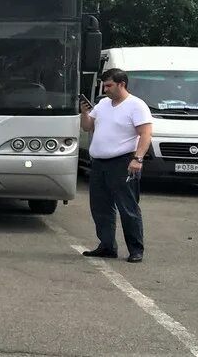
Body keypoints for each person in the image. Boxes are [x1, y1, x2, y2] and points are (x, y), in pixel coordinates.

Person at [79, 68, 153, 263]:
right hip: (99, 163)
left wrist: (138, 159)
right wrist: (84, 113)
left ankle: (136, 249)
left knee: (127, 207)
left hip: (123, 162)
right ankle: (107, 245)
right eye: (104, 85)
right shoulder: (103, 104)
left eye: (109, 85)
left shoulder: (136, 105)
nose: (105, 89)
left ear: (122, 84)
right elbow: (88, 127)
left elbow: (145, 134)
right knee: (101, 207)